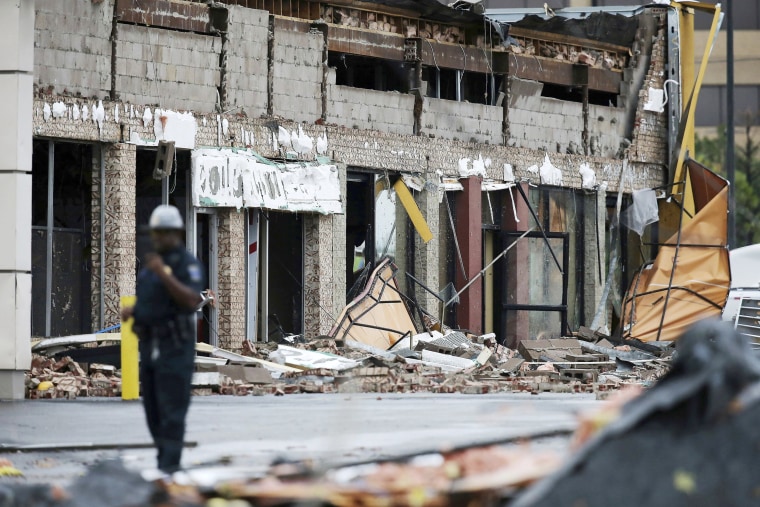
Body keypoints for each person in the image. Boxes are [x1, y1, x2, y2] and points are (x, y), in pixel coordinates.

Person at [120, 204, 205, 473]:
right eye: (156, 233)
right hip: (150, 345)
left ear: (177, 234)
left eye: (164, 233)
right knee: (153, 410)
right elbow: (152, 301)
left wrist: (163, 274)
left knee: (172, 410)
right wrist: (135, 310)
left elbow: (191, 300)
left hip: (175, 346)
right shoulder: (151, 266)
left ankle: (169, 469)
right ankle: (163, 463)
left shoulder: (185, 264)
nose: (158, 239)